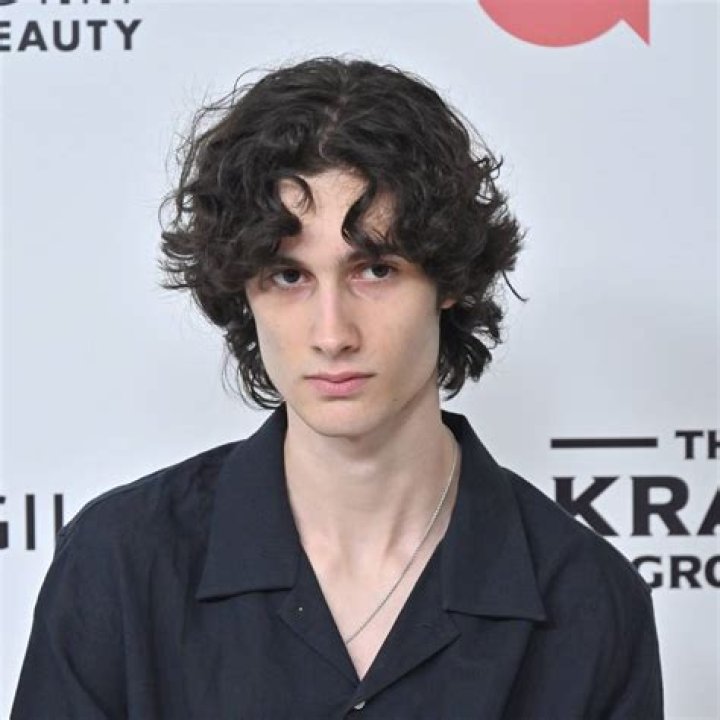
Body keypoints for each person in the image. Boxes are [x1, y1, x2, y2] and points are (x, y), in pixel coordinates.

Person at [12, 57, 663, 719]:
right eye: (289, 276)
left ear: (449, 279)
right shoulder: (121, 561)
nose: (332, 333)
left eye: (375, 270)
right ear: (243, 291)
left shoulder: (589, 599)